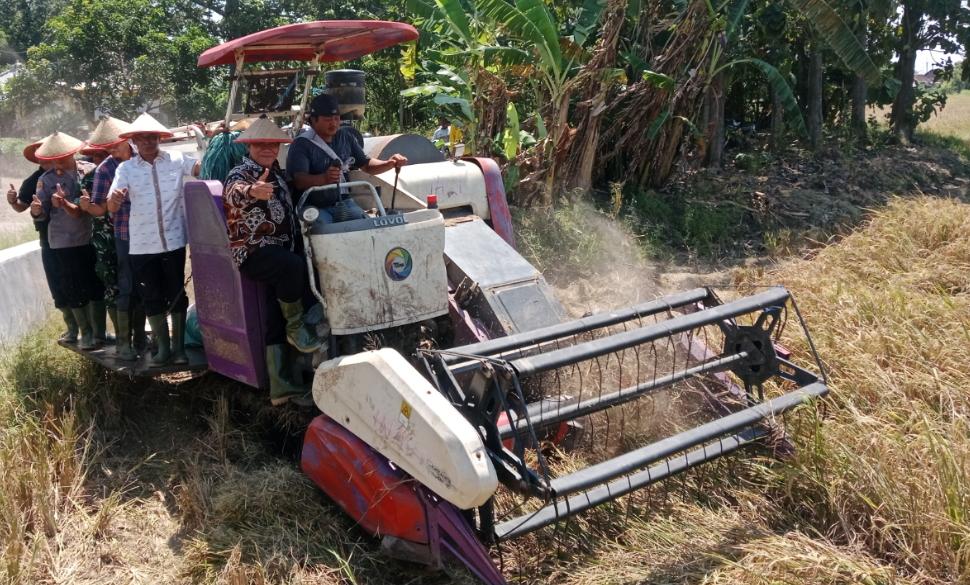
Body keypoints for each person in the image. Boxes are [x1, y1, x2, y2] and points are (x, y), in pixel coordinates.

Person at [223, 116, 321, 405]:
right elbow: (233, 193)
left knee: (274, 315)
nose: (267, 149)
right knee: (292, 267)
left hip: (280, 250)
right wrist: (252, 191)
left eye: (272, 144)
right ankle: (297, 327)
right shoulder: (241, 173)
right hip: (255, 251)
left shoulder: (278, 174)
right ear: (249, 146)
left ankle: (280, 387)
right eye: (261, 144)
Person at [107, 113, 200, 366]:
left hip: (174, 241)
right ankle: (163, 349)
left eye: (152, 137)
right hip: (141, 245)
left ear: (160, 138)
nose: (148, 142)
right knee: (151, 297)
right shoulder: (126, 169)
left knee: (177, 293)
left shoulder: (176, 159)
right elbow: (111, 205)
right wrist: (115, 199)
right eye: (142, 138)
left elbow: (201, 168)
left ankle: (179, 350)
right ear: (134, 142)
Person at [286, 93, 408, 222]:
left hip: (344, 202)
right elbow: (299, 181)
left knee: (366, 224)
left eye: (336, 118)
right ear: (313, 120)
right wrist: (324, 178)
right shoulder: (301, 144)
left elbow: (366, 165)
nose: (333, 123)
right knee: (324, 228)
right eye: (328, 119)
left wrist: (389, 163)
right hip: (313, 206)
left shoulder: (345, 137)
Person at [30, 132, 102, 349]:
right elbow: (41, 212)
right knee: (73, 287)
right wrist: (37, 211)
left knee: (96, 284)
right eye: (54, 156)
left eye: (62, 155)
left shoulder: (90, 170)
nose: (58, 160)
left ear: (72, 152)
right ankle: (85, 333)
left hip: (91, 237)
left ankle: (99, 333)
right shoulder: (46, 180)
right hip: (63, 241)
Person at [82, 116, 144, 360]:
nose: (110, 149)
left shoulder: (145, 157)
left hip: (151, 234)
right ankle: (123, 343)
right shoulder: (105, 169)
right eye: (105, 146)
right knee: (125, 286)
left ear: (127, 140)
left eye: (113, 144)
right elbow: (99, 208)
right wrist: (89, 206)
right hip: (124, 235)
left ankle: (141, 338)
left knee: (147, 284)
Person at [6, 139, 78, 340]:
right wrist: (13, 201)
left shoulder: (74, 173)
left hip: (77, 236)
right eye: (42, 154)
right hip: (48, 238)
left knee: (80, 279)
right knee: (57, 282)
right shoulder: (34, 180)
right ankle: (72, 327)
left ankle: (91, 329)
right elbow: (21, 206)